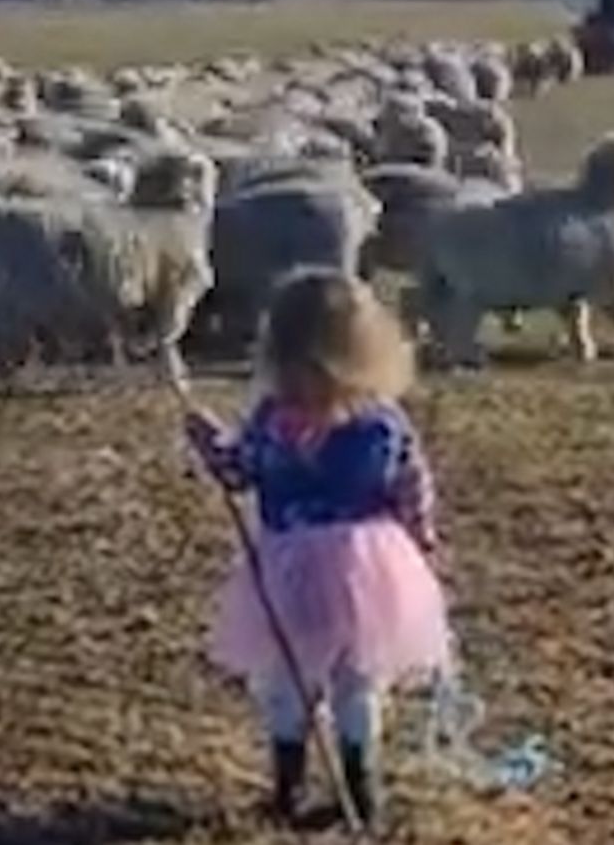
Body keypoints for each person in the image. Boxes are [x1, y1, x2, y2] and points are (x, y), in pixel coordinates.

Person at [183, 268, 452, 828]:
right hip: (370, 571)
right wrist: (420, 542)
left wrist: (214, 446)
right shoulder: (382, 419)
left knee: (292, 677)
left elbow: (240, 472)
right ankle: (357, 789)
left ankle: (295, 788)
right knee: (356, 678)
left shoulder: (275, 422)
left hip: (295, 570)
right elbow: (411, 485)